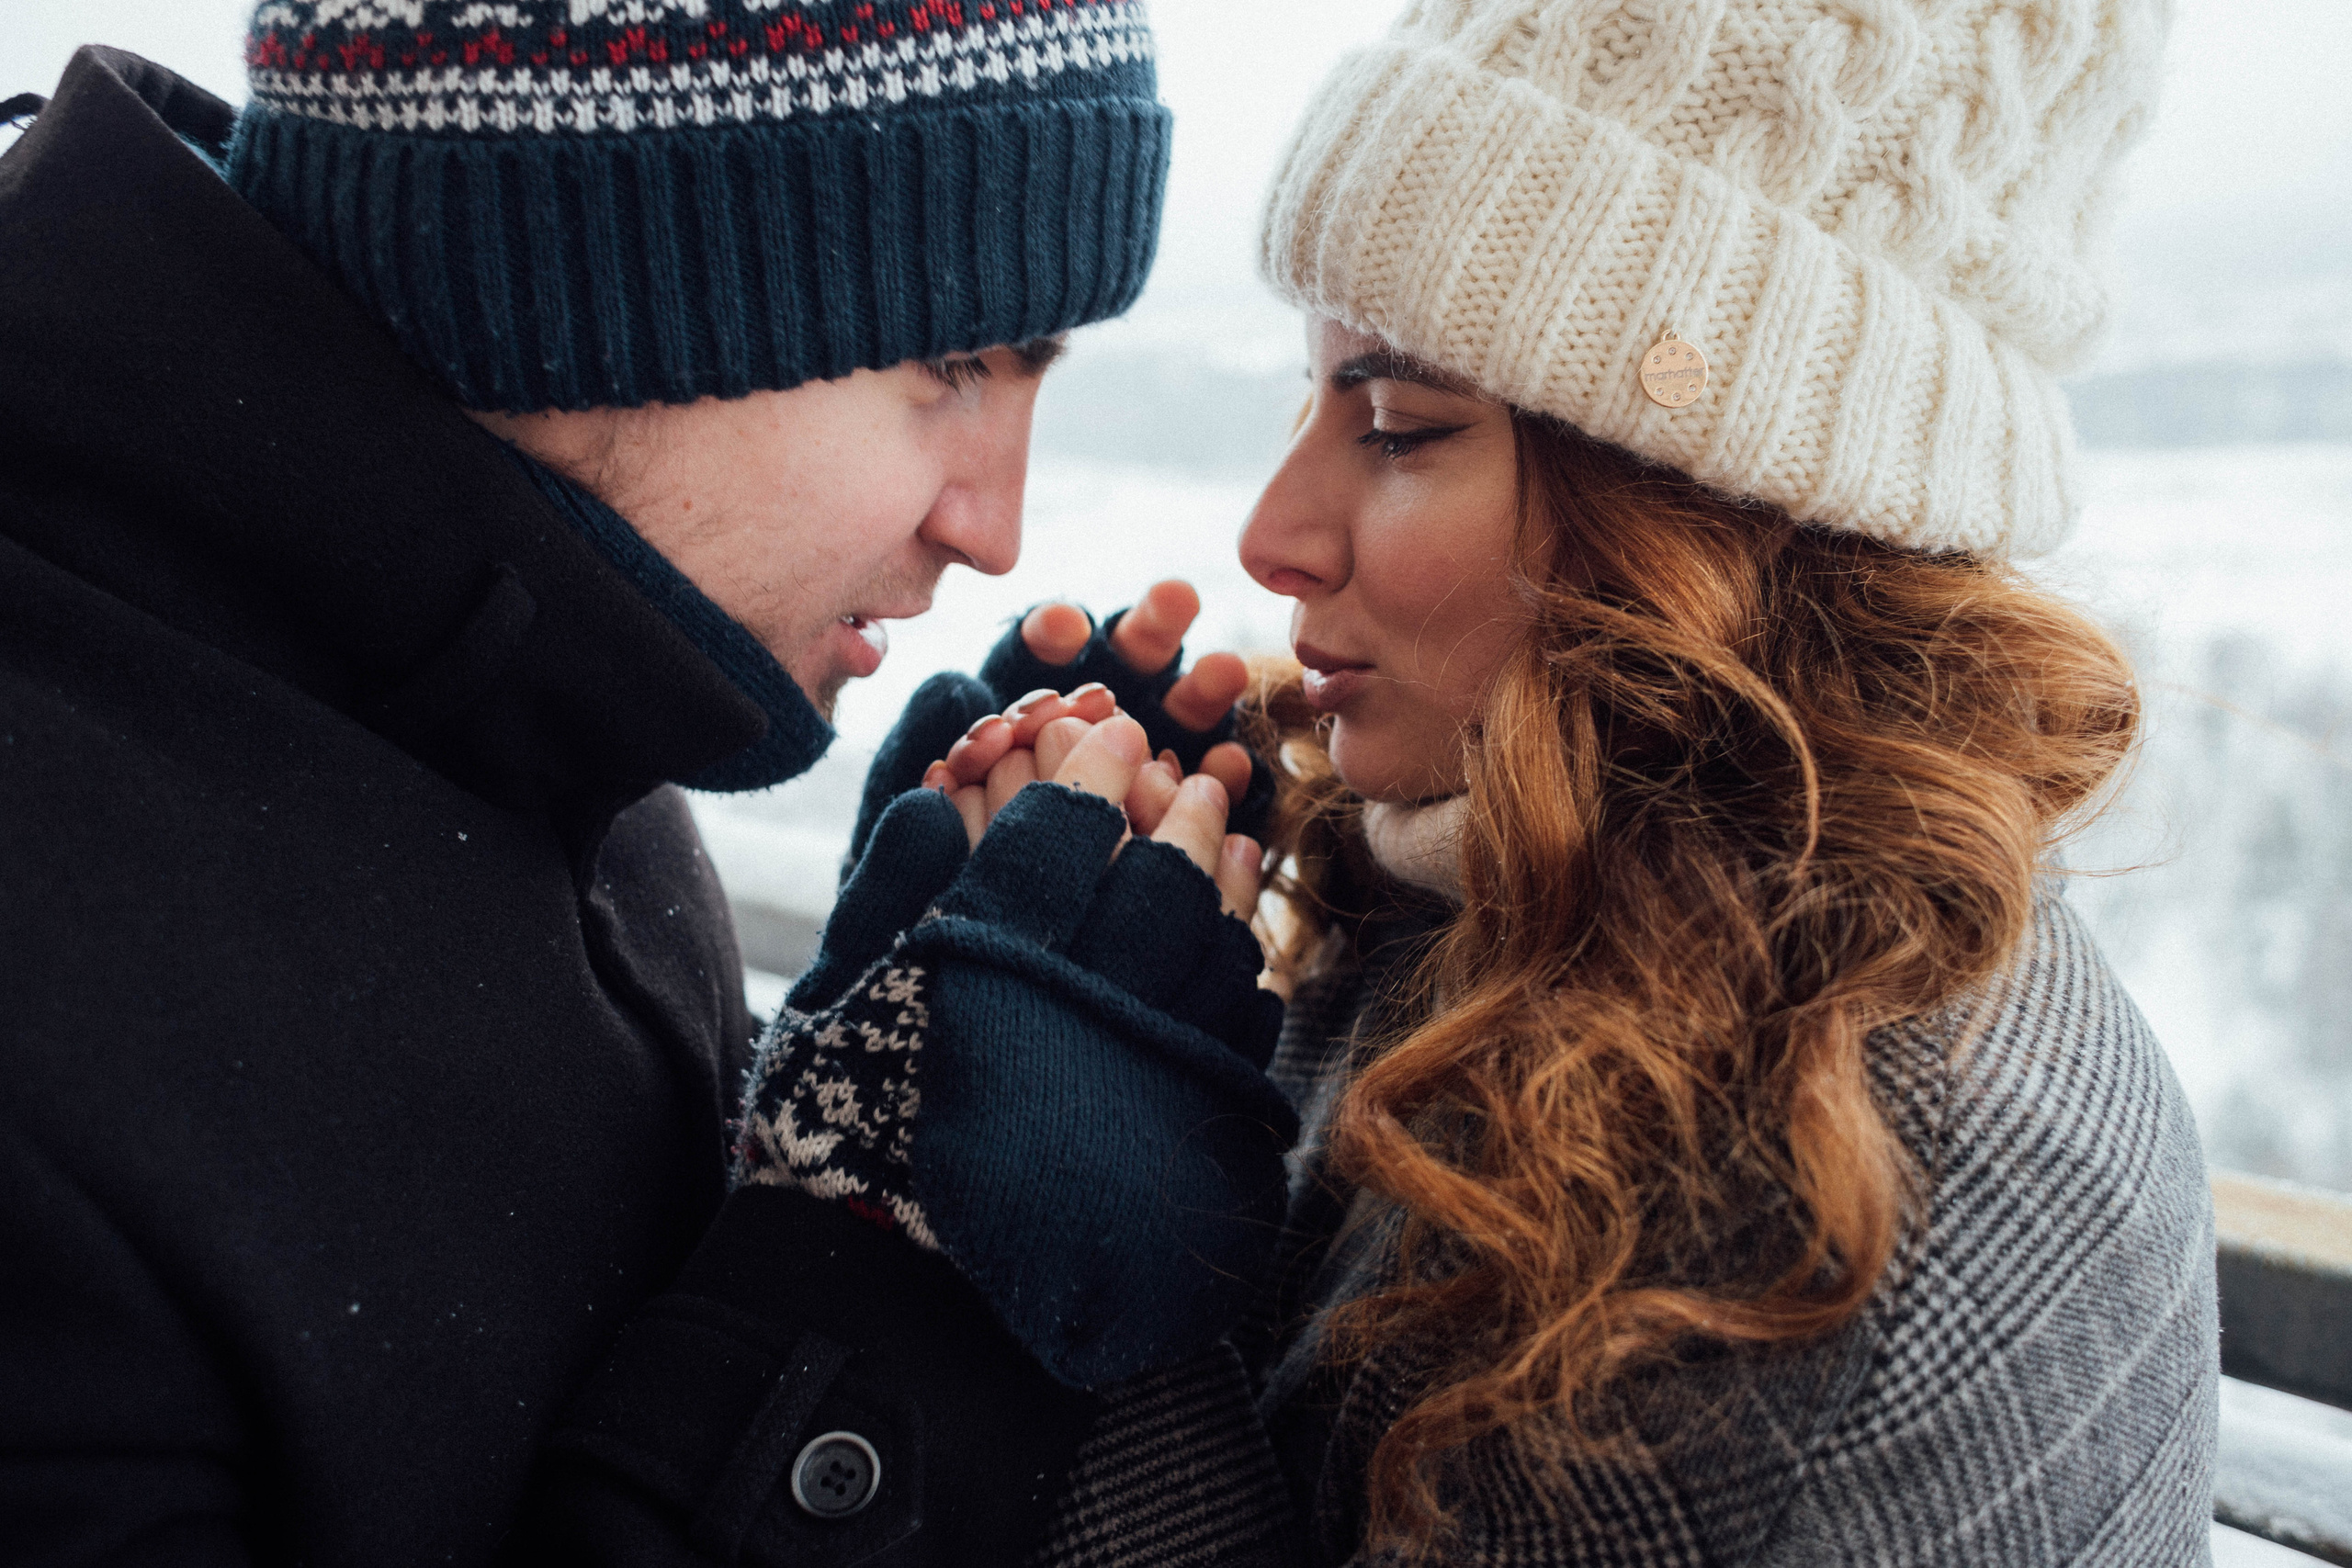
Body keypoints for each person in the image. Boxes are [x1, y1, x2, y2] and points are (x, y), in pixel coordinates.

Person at [854, 0, 2220, 1561]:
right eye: (1303, 399)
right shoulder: (1510, 890)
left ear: (1693, 509)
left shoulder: (1842, 1184)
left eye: (1397, 425)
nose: (1270, 532)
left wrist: (1099, 1313)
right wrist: (1080, 958)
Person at [0, 6, 1295, 1563]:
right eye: (954, 358)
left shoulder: (514, 672)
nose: (995, 527)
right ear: (598, 278)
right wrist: (922, 1275)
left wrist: (877, 1049)